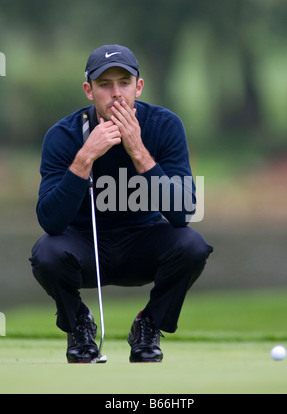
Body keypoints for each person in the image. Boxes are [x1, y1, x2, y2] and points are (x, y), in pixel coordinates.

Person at [29, 44, 213, 363]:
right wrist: (86, 156)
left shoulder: (165, 126)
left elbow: (183, 214)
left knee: (193, 245)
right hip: (85, 247)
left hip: (143, 243)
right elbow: (50, 221)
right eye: (104, 85)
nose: (116, 94)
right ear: (89, 90)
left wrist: (139, 152)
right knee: (46, 252)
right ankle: (79, 325)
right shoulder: (63, 135)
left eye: (124, 83)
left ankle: (148, 325)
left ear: (138, 87)